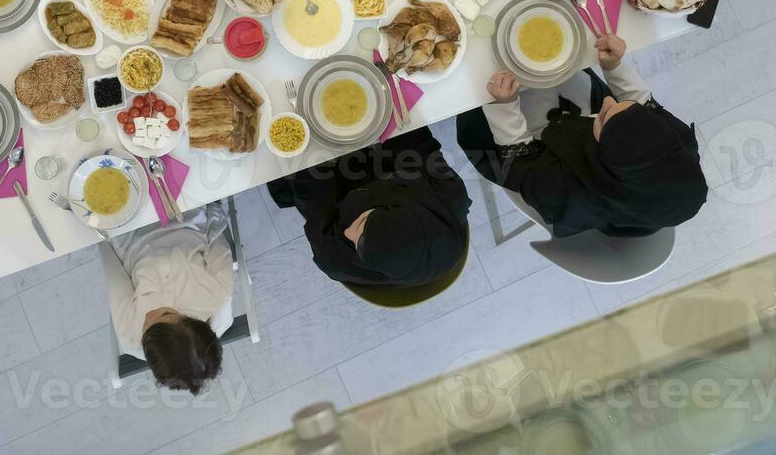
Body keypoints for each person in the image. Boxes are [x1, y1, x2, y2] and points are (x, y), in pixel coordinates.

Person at [457, 33, 707, 238]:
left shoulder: (565, 195)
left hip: (523, 155)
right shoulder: (679, 143)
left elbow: (520, 159)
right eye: (620, 105)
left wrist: (506, 104)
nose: (609, 99)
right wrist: (615, 67)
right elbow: (644, 102)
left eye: (603, 115)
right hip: (579, 130)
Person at [268, 128, 471, 287]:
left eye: (357, 244)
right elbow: (412, 138)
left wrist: (315, 142)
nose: (347, 232)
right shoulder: (448, 194)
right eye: (363, 223)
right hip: (394, 177)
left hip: (341, 189)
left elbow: (313, 196)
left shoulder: (336, 256)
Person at [103, 204, 234, 394]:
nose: (148, 317)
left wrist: (104, 230)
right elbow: (215, 233)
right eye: (165, 313)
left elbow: (112, 269)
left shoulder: (129, 336)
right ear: (191, 320)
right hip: (185, 212)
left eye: (146, 327)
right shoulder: (218, 297)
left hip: (129, 232)